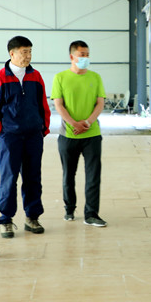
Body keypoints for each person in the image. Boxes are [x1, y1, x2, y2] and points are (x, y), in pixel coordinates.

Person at [0, 36, 50, 238]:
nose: (28, 56)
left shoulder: (35, 76)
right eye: (24, 52)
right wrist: (0, 133)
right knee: (9, 178)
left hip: (33, 136)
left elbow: (43, 105)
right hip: (10, 137)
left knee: (33, 177)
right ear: (12, 54)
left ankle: (32, 217)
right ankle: (6, 219)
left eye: (30, 51)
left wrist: (42, 129)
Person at [52, 40, 107, 226]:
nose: (85, 58)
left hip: (92, 135)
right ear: (72, 56)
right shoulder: (60, 77)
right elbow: (58, 104)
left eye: (87, 55)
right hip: (68, 135)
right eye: (82, 55)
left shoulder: (95, 77)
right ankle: (69, 208)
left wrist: (88, 122)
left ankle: (91, 214)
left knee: (93, 176)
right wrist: (74, 123)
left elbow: (100, 103)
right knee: (68, 175)